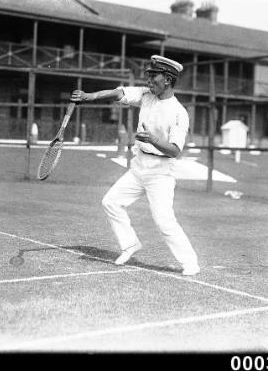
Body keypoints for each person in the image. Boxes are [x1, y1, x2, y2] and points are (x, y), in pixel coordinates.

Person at [70, 55, 200, 276]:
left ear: (167, 79)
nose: (148, 81)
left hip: (161, 172)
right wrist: (89, 96)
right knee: (111, 202)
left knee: (164, 221)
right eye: (148, 76)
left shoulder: (179, 113)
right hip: (139, 166)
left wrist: (153, 140)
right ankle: (130, 244)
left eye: (153, 77)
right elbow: (119, 92)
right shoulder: (146, 95)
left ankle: (190, 264)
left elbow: (175, 150)